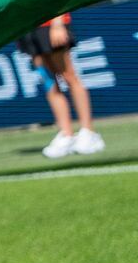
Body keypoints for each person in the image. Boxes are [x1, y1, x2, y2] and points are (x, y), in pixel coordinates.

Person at [21, 14, 105, 158]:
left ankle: (88, 133)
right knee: (48, 82)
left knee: (69, 76)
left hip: (50, 24)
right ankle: (66, 135)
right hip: (27, 27)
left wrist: (57, 23)